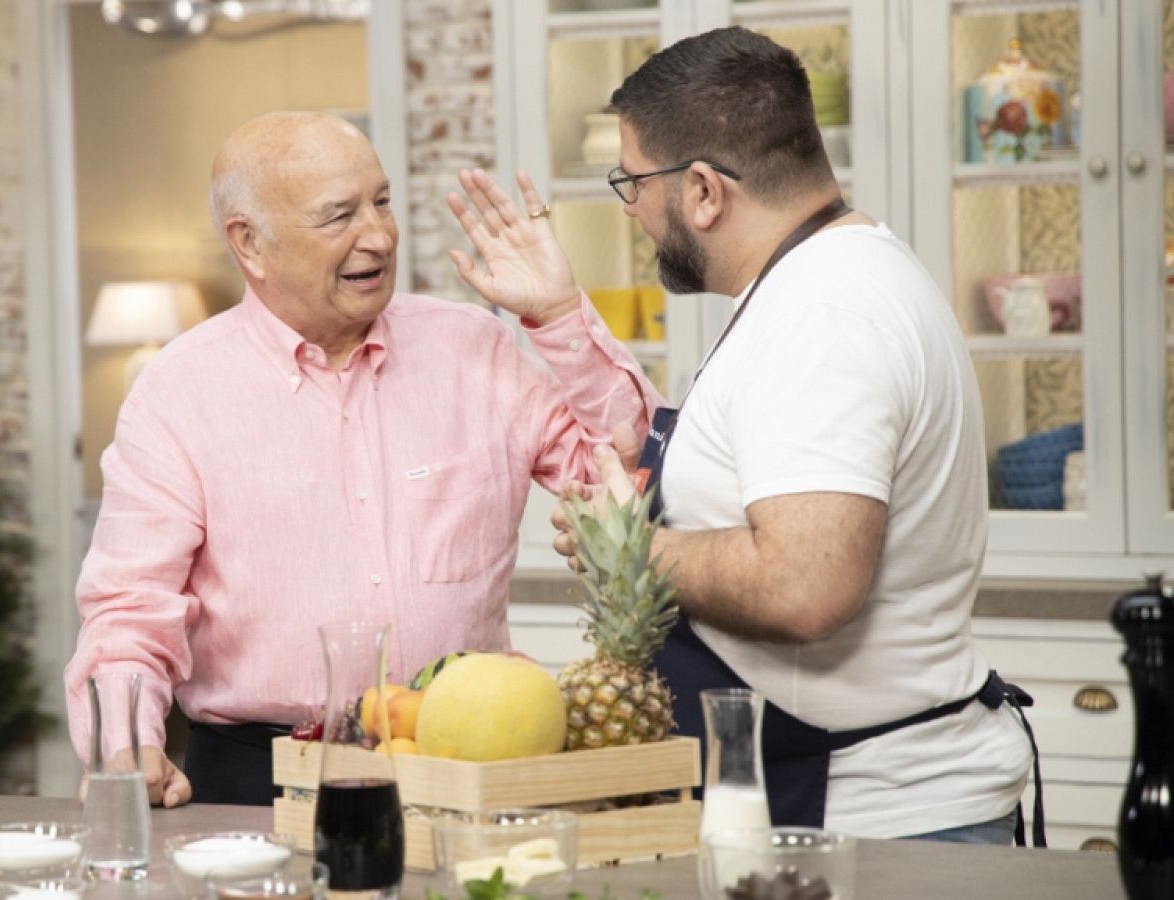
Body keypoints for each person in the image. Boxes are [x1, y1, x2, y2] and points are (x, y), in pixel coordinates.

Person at [64, 110, 666, 807]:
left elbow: (636, 476)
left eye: (380, 201)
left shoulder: (480, 351)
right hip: (258, 782)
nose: (378, 235)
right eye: (338, 216)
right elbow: (128, 615)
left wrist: (561, 317)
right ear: (249, 243)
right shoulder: (176, 394)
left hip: (469, 763)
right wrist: (127, 745)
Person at [535, 28, 1038, 844]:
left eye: (633, 180)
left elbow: (807, 584)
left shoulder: (821, 315)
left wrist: (624, 545)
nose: (630, 208)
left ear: (702, 190)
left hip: (874, 826)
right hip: (843, 805)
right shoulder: (828, 277)